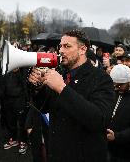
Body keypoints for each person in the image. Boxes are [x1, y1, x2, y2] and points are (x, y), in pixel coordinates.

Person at [28, 29, 115, 162]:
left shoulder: (101, 78)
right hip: (58, 152)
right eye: (60, 46)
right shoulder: (62, 74)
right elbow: (45, 109)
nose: (61, 51)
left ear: (82, 49)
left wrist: (62, 88)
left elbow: (99, 120)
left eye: (67, 46)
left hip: (83, 155)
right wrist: (38, 89)